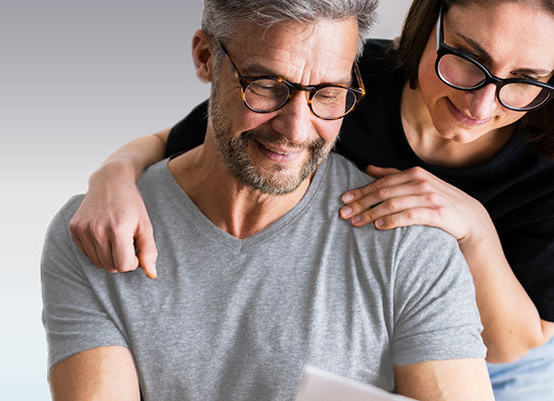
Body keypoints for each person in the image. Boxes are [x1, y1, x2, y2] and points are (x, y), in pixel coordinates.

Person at [68, 0, 554, 399]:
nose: (482, 104)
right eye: (469, 61)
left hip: (501, 365)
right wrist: (113, 176)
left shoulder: (547, 157)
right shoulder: (329, 80)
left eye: (525, 81)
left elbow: (515, 344)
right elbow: (182, 140)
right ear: (429, 23)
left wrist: (475, 226)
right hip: (362, 335)